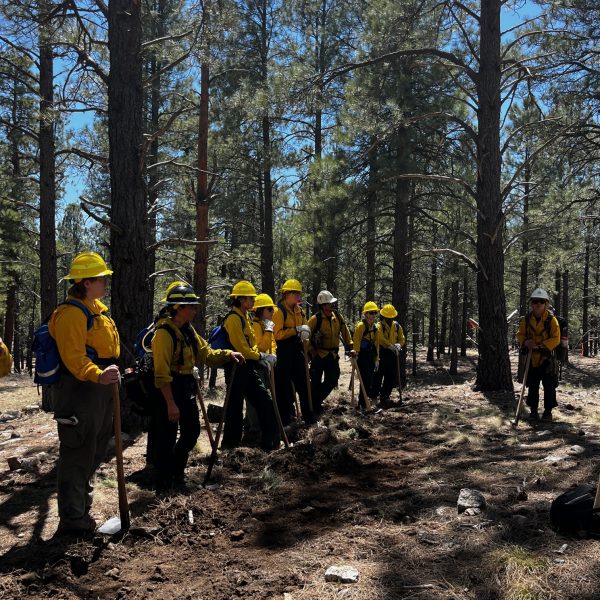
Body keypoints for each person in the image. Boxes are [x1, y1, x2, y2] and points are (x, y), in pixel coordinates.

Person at [48, 251, 120, 535]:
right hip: (80, 391)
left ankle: (82, 510)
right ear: (86, 282)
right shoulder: (70, 314)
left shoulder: (96, 311)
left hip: (100, 389)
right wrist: (98, 374)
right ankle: (72, 519)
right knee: (77, 452)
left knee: (95, 450)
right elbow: (74, 358)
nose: (105, 282)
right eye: (101, 278)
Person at [152, 282, 243, 492]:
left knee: (191, 432)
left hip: (186, 387)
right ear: (178, 308)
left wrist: (227, 354)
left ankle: (177, 474)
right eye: (190, 306)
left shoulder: (188, 330)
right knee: (166, 437)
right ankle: (164, 485)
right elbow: (161, 373)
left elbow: (206, 353)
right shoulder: (164, 334)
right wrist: (170, 404)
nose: (194, 309)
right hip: (169, 390)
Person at [220, 281, 280, 451]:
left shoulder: (245, 317)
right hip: (235, 369)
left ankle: (270, 442)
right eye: (251, 298)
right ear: (241, 299)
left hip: (248, 367)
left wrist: (259, 356)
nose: (254, 301)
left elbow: (251, 345)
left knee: (264, 401)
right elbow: (242, 349)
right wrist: (261, 355)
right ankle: (230, 445)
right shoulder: (233, 319)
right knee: (235, 407)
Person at [273, 279, 315, 425]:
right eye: (296, 293)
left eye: (299, 293)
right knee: (283, 386)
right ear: (287, 294)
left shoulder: (299, 310)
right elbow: (277, 334)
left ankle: (308, 416)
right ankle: (286, 419)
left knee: (303, 383)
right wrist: (295, 330)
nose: (299, 296)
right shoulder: (278, 311)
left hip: (297, 350)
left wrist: (306, 338)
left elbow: (306, 327)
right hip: (282, 352)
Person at [516, 288, 560, 422]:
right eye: (535, 302)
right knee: (532, 386)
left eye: (541, 302)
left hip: (547, 359)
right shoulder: (526, 319)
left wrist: (541, 346)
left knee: (549, 387)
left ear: (545, 304)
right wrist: (526, 341)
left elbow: (556, 338)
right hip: (531, 359)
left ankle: (548, 413)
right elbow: (520, 334)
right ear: (531, 304)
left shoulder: (552, 321)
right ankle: (533, 412)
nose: (537, 304)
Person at [307, 290, 353, 415]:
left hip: (332, 355)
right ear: (323, 305)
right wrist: (312, 351)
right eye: (329, 304)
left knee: (333, 378)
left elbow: (345, 331)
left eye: (332, 304)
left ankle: (315, 400)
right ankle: (313, 407)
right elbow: (306, 338)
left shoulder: (337, 317)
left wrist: (350, 346)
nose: (332, 306)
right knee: (315, 381)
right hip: (318, 355)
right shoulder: (315, 319)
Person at [373, 304, 406, 405]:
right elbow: (380, 339)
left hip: (393, 354)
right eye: (388, 317)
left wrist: (399, 345)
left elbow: (402, 338)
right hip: (382, 353)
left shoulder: (397, 326)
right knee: (378, 376)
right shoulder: (379, 326)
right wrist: (390, 345)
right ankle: (374, 397)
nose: (390, 319)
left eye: (392, 317)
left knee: (390, 376)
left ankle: (385, 397)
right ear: (384, 316)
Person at [353, 301, 380, 410]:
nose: (373, 315)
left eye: (375, 313)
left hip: (371, 356)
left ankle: (364, 403)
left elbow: (376, 344)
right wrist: (356, 356)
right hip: (362, 356)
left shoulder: (375, 328)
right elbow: (356, 341)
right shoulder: (361, 326)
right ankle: (362, 404)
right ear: (365, 314)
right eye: (370, 313)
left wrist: (377, 359)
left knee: (369, 380)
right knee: (365, 379)